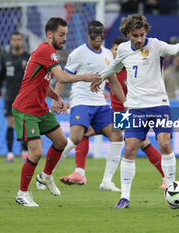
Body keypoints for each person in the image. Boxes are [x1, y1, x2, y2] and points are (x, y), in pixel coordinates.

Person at [91, 14, 179, 209]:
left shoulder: (154, 45)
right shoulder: (122, 49)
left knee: (164, 144)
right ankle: (125, 197)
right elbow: (116, 65)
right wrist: (100, 78)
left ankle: (171, 190)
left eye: (142, 35)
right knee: (129, 149)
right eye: (135, 35)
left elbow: (175, 49)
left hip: (159, 104)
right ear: (127, 34)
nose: (139, 39)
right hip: (135, 107)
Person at [56, 36, 167, 189]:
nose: (114, 53)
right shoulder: (111, 68)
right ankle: (83, 173)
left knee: (142, 142)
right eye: (114, 49)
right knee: (86, 133)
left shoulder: (132, 68)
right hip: (113, 111)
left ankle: (166, 177)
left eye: (117, 50)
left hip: (128, 112)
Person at [13, 17, 101, 207]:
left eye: (66, 35)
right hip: (26, 109)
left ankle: (46, 176)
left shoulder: (48, 52)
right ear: (49, 34)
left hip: (40, 108)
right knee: (36, 153)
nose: (64, 39)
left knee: (61, 142)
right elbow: (61, 76)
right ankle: (22, 193)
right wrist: (84, 76)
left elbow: (42, 84)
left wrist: (56, 98)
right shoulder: (45, 50)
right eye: (61, 35)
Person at [53, 21, 126, 192]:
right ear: (88, 34)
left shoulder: (108, 54)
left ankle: (106, 181)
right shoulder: (78, 53)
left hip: (100, 103)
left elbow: (114, 82)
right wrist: (57, 99)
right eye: (95, 34)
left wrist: (125, 104)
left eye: (101, 34)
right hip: (81, 100)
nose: (98, 37)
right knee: (76, 138)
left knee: (117, 137)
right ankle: (47, 173)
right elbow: (63, 77)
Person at [0, 31, 30, 162]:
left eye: (19, 40)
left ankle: (24, 151)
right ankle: (9, 153)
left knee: (24, 123)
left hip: (24, 96)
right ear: (11, 41)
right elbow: (1, 76)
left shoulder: (28, 57)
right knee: (11, 123)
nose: (17, 42)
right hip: (9, 96)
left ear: (22, 41)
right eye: (14, 40)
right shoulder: (6, 57)